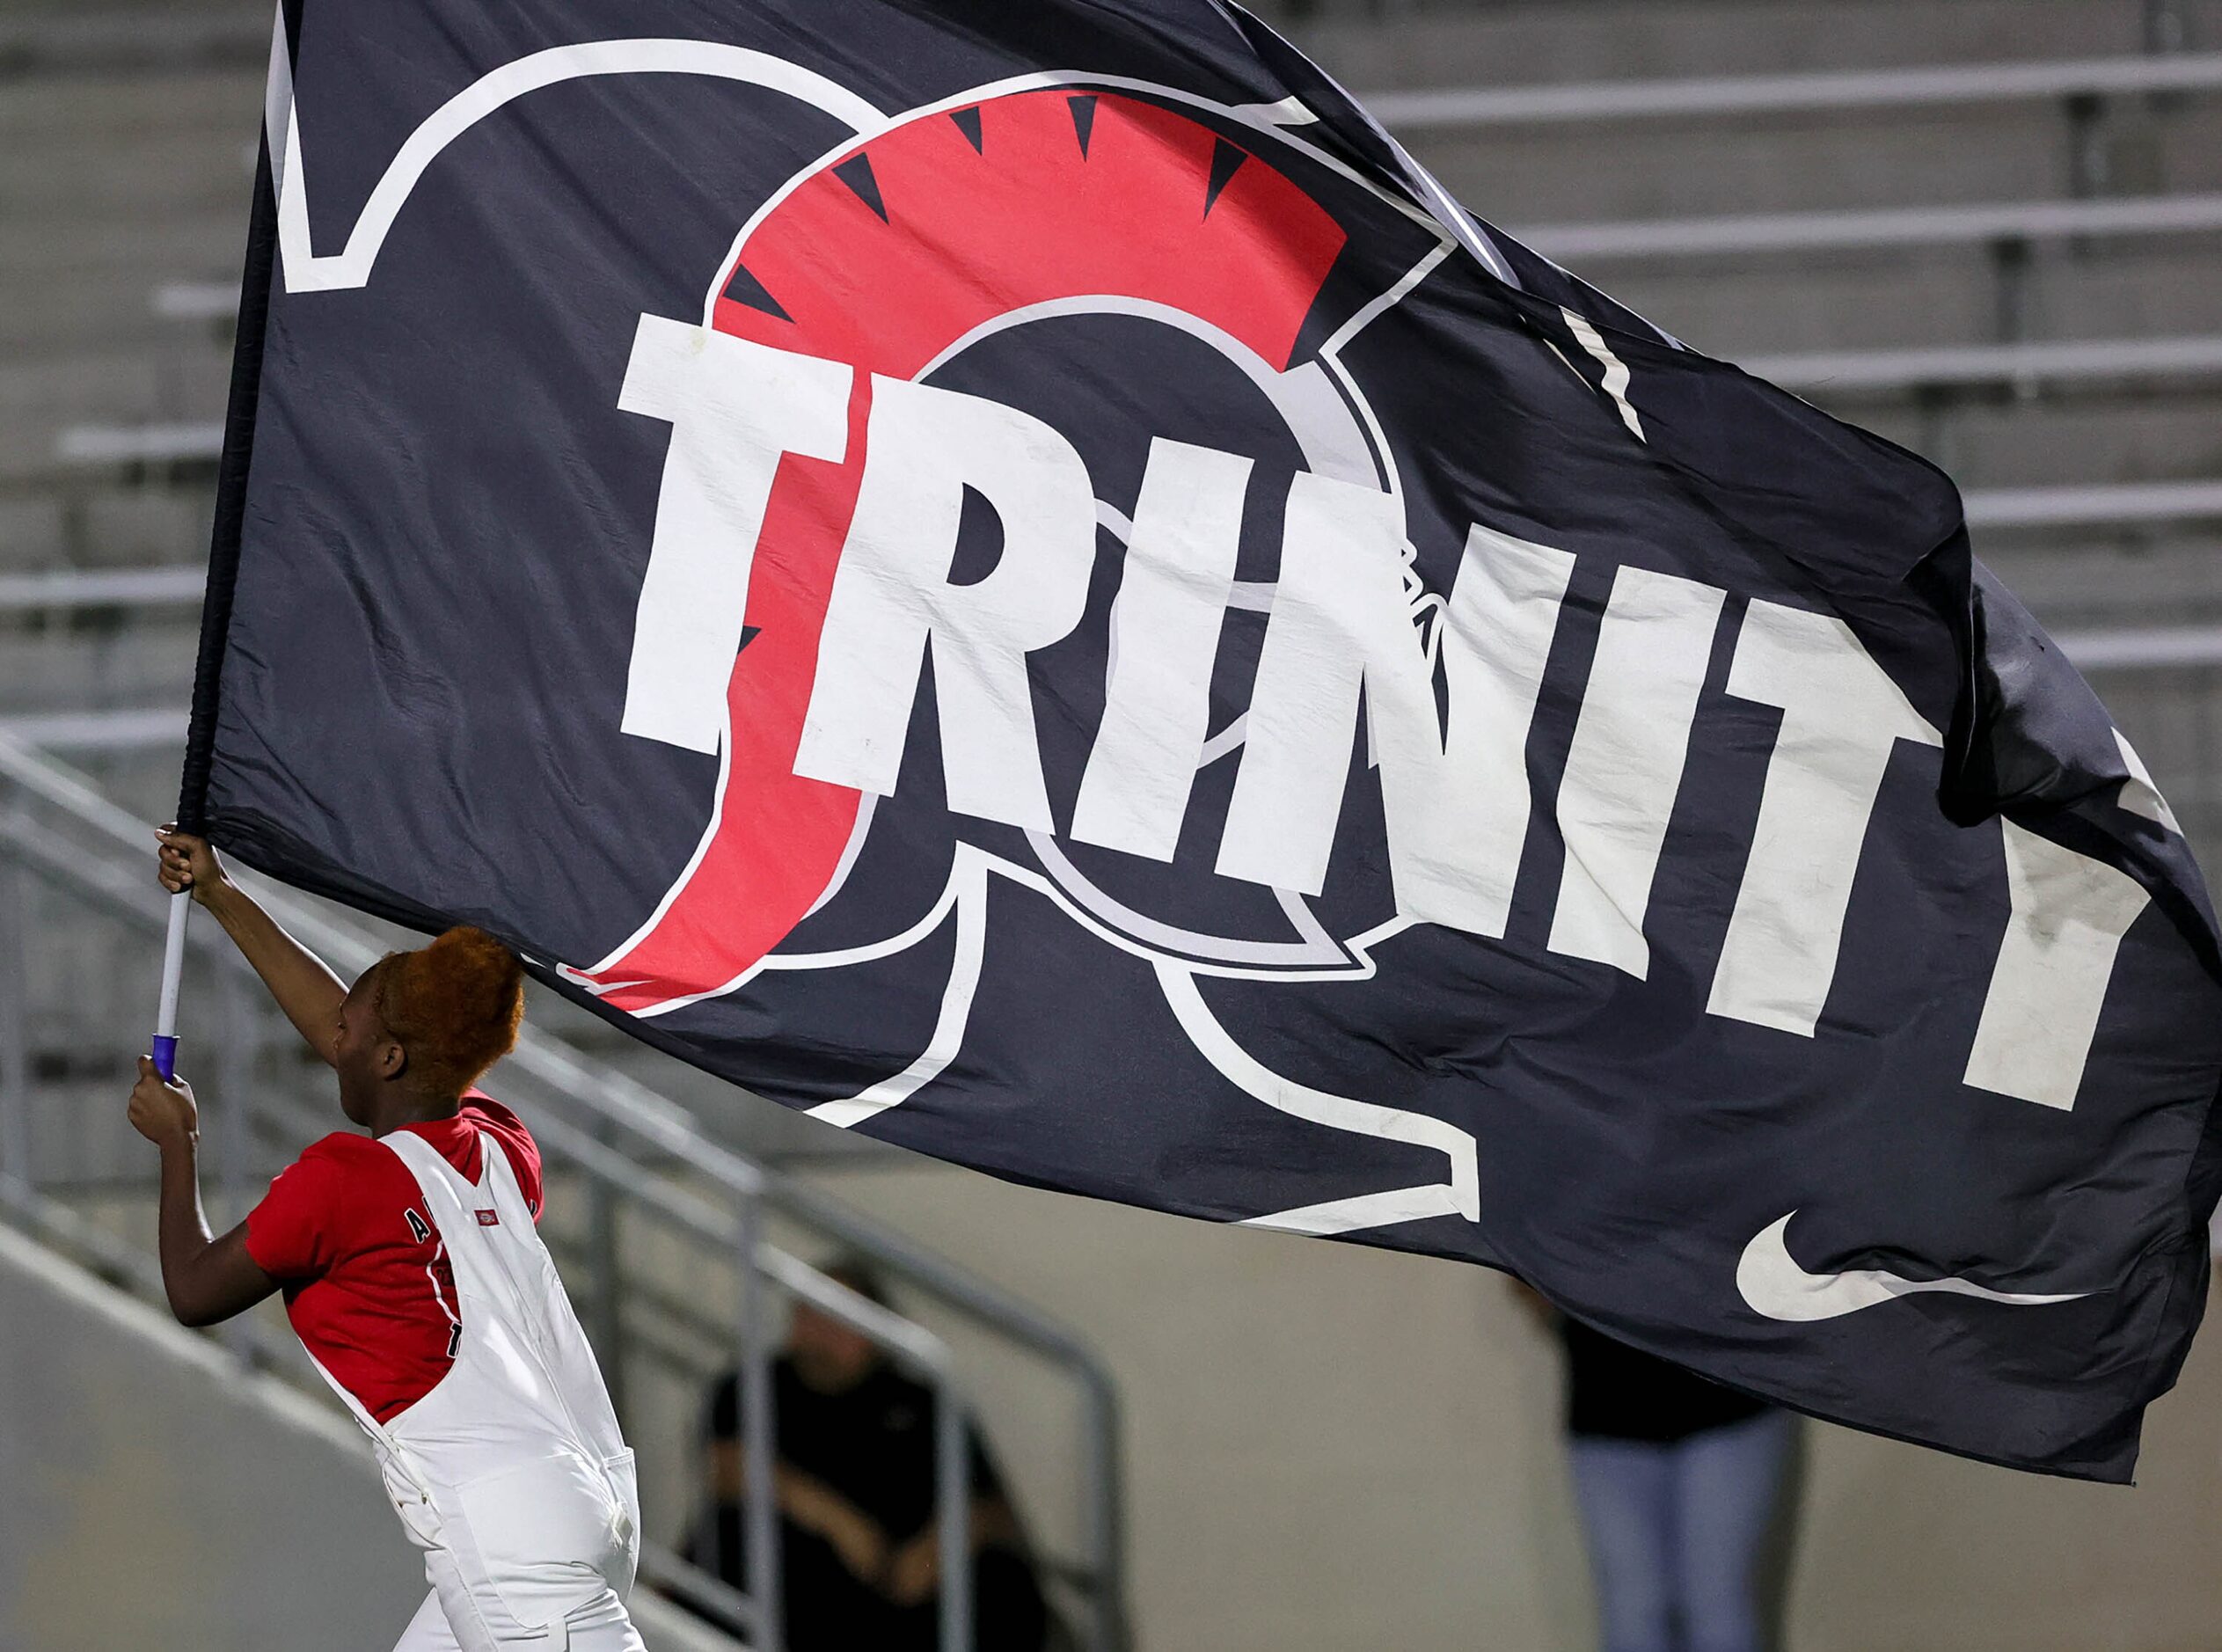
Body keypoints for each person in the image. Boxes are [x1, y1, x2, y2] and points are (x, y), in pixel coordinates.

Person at [129, 827, 642, 1652]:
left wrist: (177, 1146)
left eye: (349, 1027)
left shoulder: (342, 1181)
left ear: (391, 1055)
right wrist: (221, 893)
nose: (333, 1034)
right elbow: (358, 1040)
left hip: (514, 1545)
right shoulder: (502, 1147)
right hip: (592, 1500)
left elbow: (193, 1290)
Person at [687, 1259, 1053, 1651]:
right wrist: (837, 1522)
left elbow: (992, 1508)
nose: (821, 1333)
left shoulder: (921, 1403)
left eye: (839, 1318)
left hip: (902, 1585)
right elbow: (724, 1469)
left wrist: (933, 1551)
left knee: (1003, 1579)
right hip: (804, 1577)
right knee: (738, 1533)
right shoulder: (755, 1388)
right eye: (810, 1314)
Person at [1517, 1285, 1796, 1652]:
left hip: (1727, 1398)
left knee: (1715, 1606)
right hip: (1608, 1404)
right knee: (1633, 1613)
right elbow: (1516, 1259)